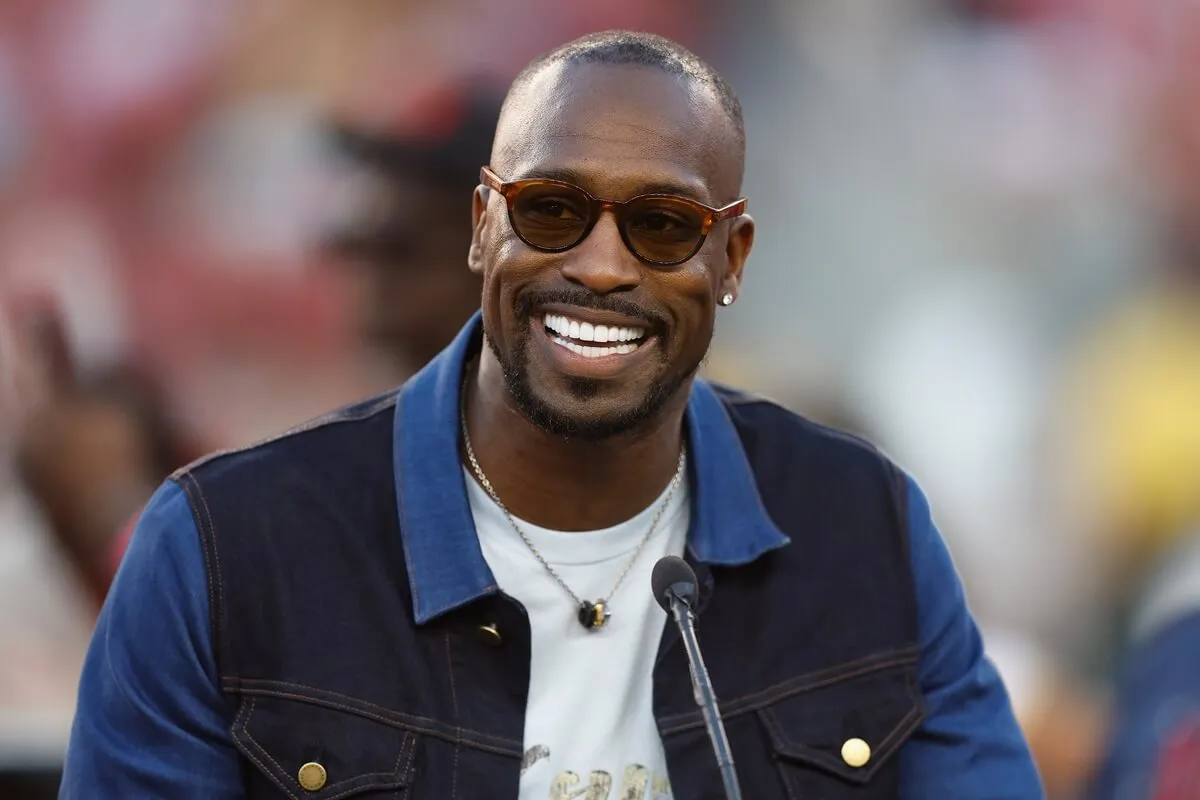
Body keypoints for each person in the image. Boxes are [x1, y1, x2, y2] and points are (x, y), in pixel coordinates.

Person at [61, 31, 1043, 798]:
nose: (604, 265)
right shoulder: (222, 548)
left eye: (663, 225)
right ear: (486, 228)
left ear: (732, 261)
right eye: (552, 209)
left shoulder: (863, 526)